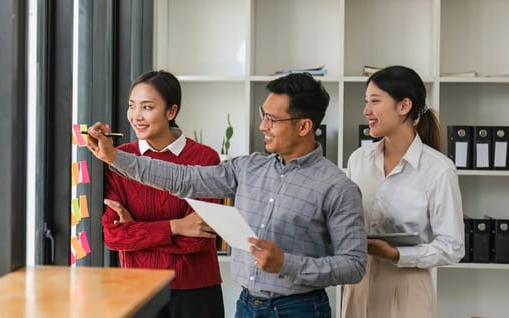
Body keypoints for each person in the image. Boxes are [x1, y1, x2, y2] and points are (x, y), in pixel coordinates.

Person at [86, 73, 366, 318]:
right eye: (262, 115)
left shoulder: (338, 188)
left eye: (272, 119)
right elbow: (184, 179)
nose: (262, 127)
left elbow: (353, 265)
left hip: (300, 309)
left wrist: (286, 264)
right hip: (246, 306)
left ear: (303, 126)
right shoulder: (248, 168)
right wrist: (114, 158)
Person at [340, 65, 465, 318]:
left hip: (408, 286)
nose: (366, 111)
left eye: (375, 101)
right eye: (366, 102)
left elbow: (452, 246)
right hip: (359, 283)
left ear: (404, 106)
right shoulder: (358, 160)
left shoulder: (439, 169)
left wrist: (397, 254)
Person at [99, 70, 225, 318]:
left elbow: (198, 238)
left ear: (171, 111)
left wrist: (138, 230)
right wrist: (175, 226)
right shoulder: (118, 159)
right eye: (132, 106)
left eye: (147, 107)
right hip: (138, 288)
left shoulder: (204, 158)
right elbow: (113, 236)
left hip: (195, 291)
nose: (136, 116)